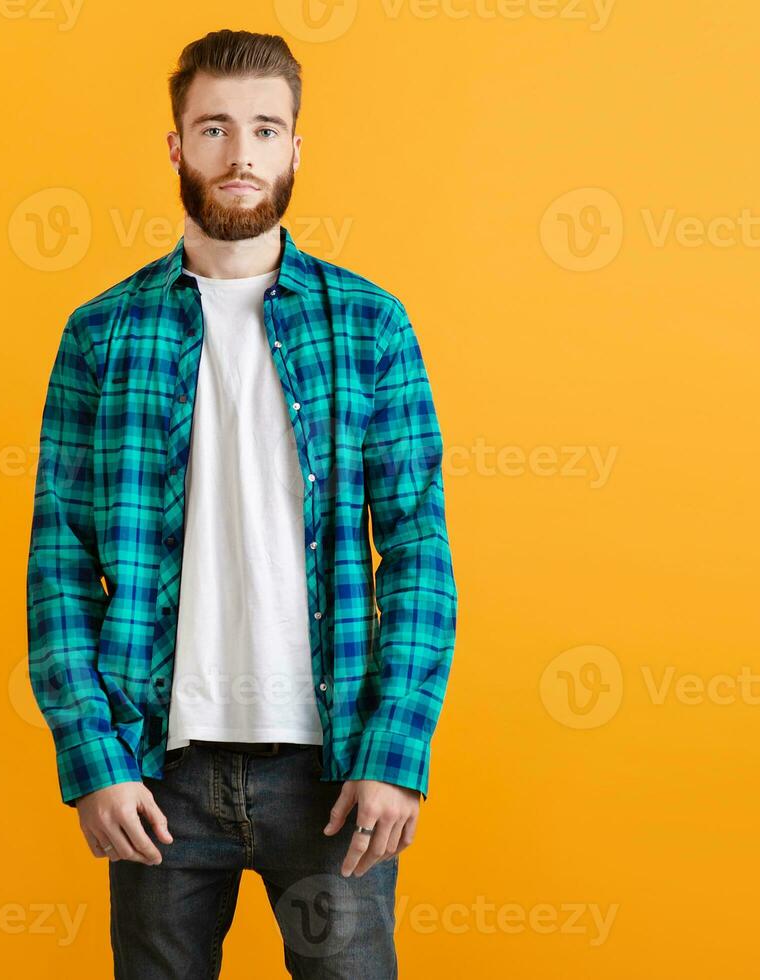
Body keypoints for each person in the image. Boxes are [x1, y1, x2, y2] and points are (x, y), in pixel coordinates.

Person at [26, 28, 457, 979]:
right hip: (157, 773)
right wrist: (93, 756)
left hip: (334, 770)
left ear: (297, 149)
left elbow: (419, 550)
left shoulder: (370, 325)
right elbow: (58, 562)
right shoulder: (102, 334)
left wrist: (397, 749)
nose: (241, 154)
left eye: (266, 129)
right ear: (176, 147)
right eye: (214, 129)